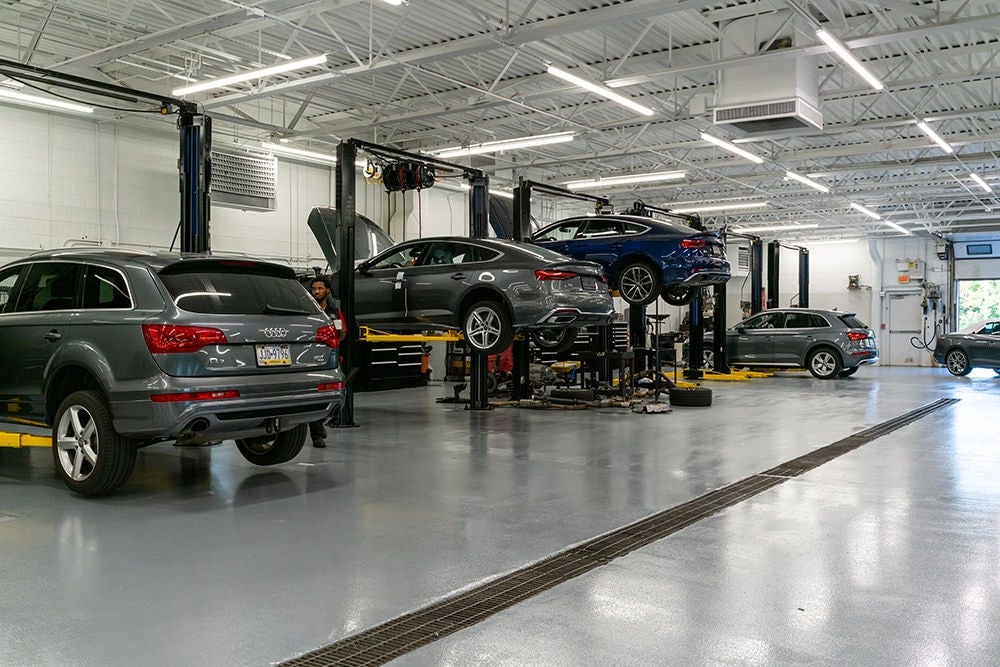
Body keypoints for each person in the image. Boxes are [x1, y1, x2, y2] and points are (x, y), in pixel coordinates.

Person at [308, 275, 342, 448]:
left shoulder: (334, 311)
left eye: (320, 288)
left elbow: (343, 332)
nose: (317, 292)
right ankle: (317, 435)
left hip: (329, 355)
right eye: (314, 289)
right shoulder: (307, 310)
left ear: (327, 290)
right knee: (313, 396)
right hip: (310, 357)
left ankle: (320, 425)